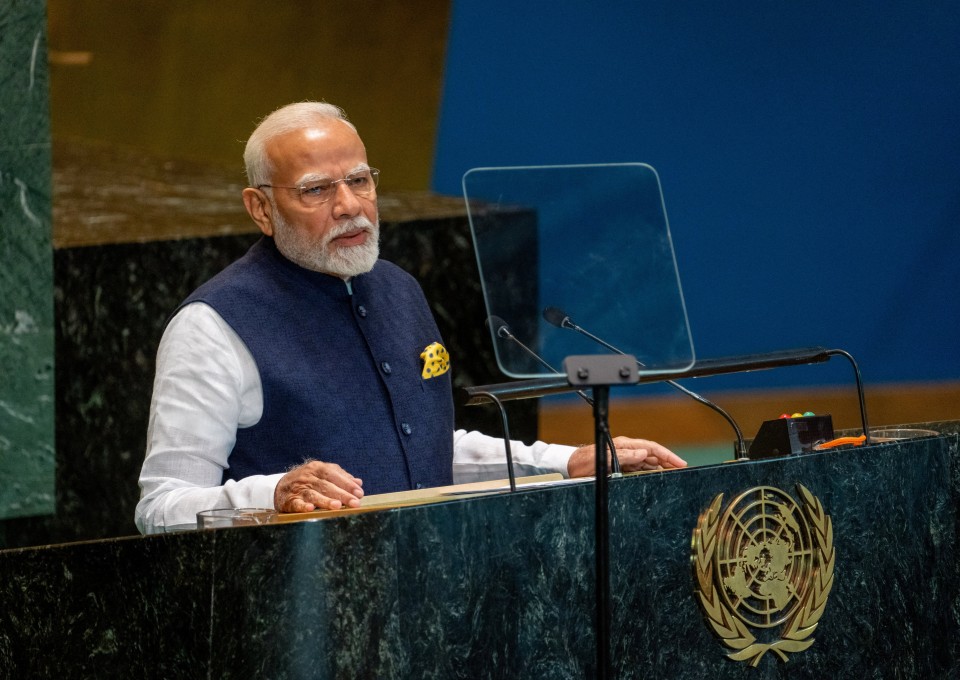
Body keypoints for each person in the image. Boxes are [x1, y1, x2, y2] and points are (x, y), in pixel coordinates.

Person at [135, 102, 686, 534]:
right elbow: (162, 507)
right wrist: (272, 495)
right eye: (316, 190)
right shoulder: (211, 327)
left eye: (359, 180)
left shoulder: (399, 288)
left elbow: (424, 450)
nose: (349, 205)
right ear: (260, 208)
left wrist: (564, 462)